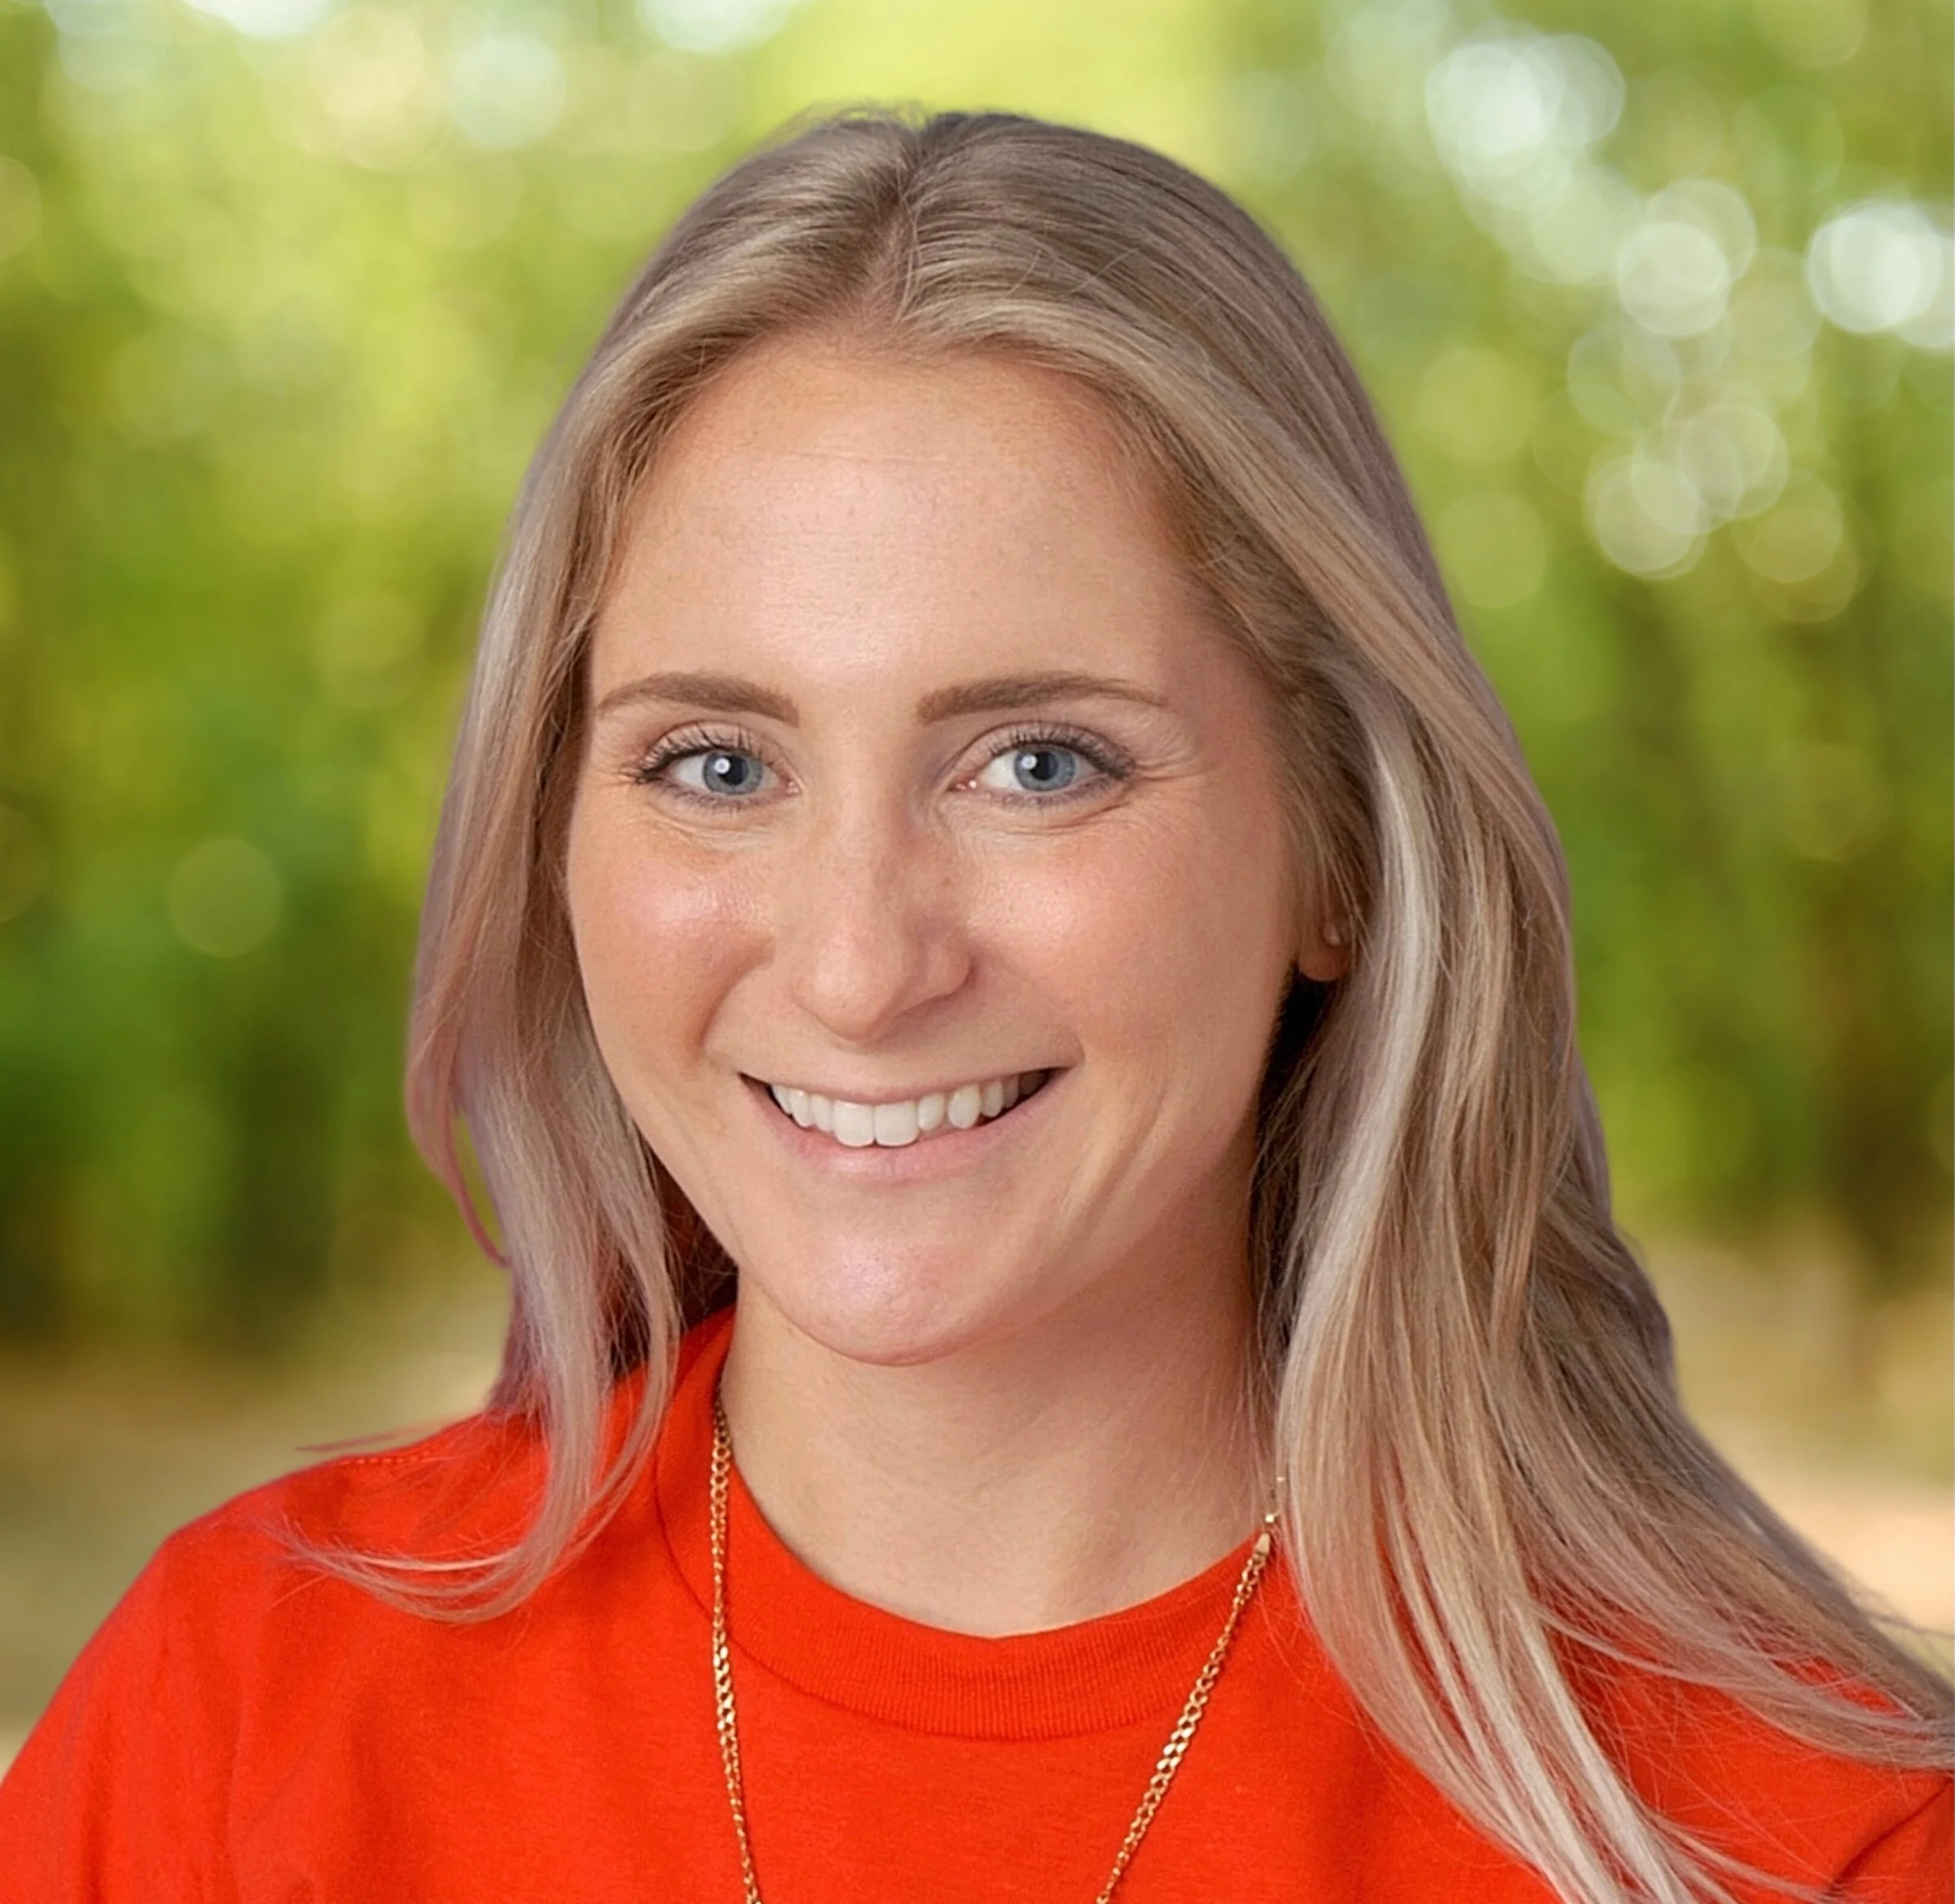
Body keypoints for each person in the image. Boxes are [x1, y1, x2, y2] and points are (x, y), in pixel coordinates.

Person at [0, 107, 1947, 1904]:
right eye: (717, 765)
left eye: (1037, 764)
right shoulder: (238, 1712)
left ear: (1342, 856)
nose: (857, 964)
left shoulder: (1799, 1837)